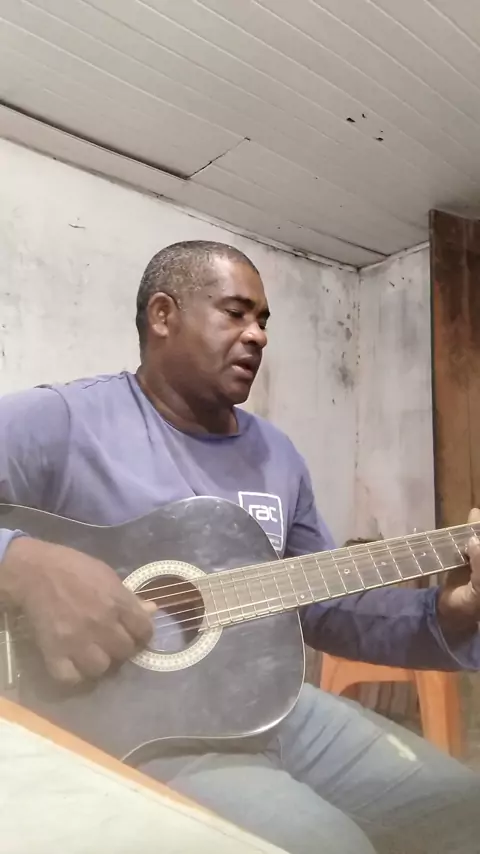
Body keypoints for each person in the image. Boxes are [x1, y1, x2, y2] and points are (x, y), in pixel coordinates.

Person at [1, 240, 480, 854]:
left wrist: (451, 612)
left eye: (263, 321)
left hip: (276, 708)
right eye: (235, 313)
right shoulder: (64, 421)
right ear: (163, 316)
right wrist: (22, 561)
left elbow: (322, 607)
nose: (257, 335)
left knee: (465, 809)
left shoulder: (277, 456)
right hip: (142, 731)